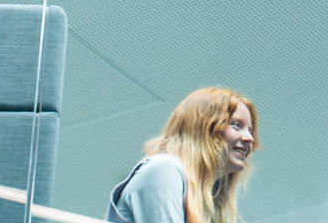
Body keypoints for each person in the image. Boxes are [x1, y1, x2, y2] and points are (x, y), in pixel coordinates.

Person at [107, 88, 259, 223]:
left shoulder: (208, 201)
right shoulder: (164, 168)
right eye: (236, 125)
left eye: (250, 131)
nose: (250, 138)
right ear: (203, 127)